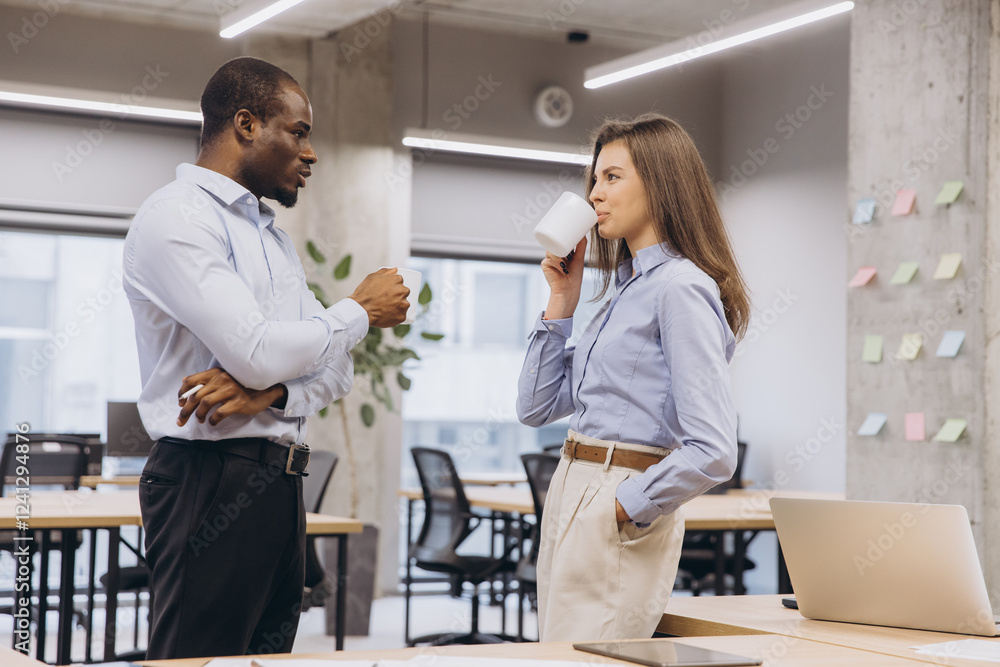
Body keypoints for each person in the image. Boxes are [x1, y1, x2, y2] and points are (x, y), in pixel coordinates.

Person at [123, 57, 408, 659]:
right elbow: (258, 351)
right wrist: (357, 309)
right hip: (208, 478)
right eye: (299, 132)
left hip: (278, 483)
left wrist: (271, 394)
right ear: (246, 124)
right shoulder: (177, 217)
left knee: (263, 659)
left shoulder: (269, 237)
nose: (311, 153)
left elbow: (335, 369)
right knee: (199, 658)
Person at [516, 113, 751, 642]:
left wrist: (626, 506)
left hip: (615, 495)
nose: (595, 194)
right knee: (559, 655)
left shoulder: (680, 288)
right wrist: (562, 302)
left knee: (587, 658)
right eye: (595, 179)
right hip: (571, 483)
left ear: (661, 183)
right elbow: (535, 408)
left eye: (612, 177)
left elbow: (713, 449)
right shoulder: (624, 289)